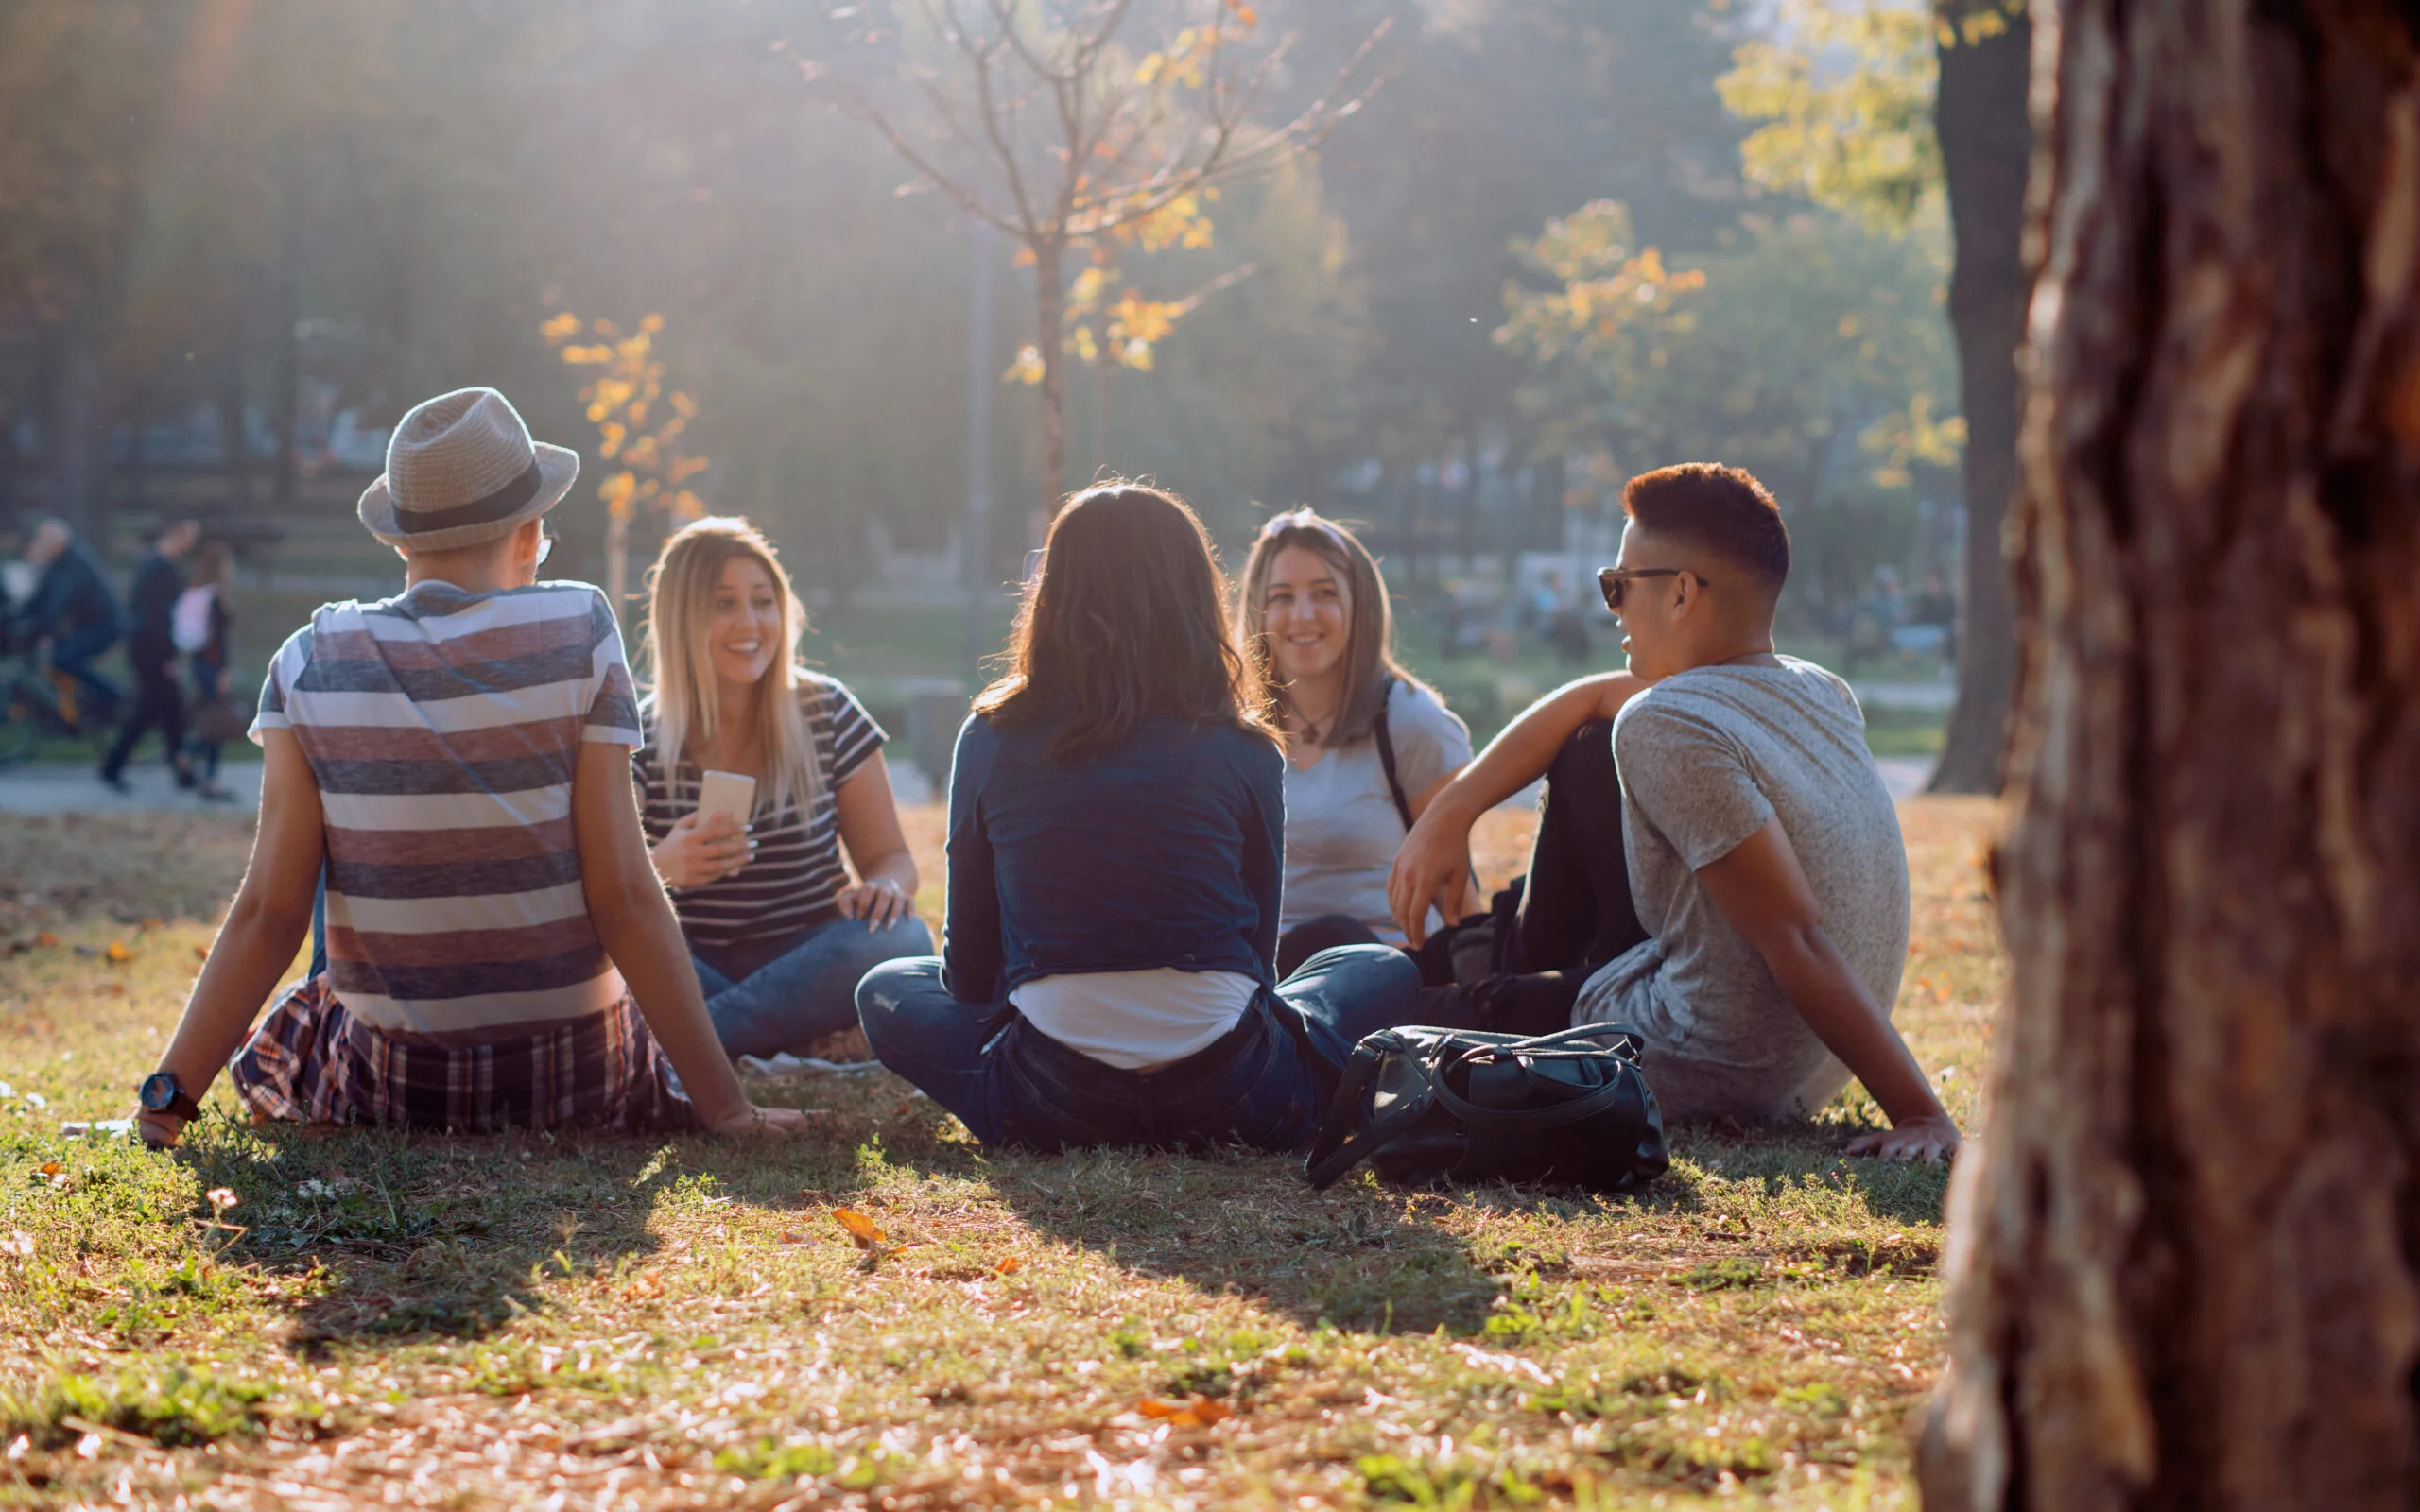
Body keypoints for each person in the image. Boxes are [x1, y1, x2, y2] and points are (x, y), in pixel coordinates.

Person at [130, 387, 808, 1146]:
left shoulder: (310, 656)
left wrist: (164, 1105)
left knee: (331, 893)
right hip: (574, 1076)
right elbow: (623, 892)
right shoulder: (579, 627)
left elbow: (270, 913)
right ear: (530, 531)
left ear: (399, 542)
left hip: (396, 1087)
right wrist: (727, 1111)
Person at [1388, 463, 1959, 1161]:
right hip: (1806, 1068)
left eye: (1619, 586)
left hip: (1708, 1058)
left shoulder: (1668, 725)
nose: (1613, 605)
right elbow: (1593, 698)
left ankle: (1485, 977)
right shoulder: (1818, 688)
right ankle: (1488, 960)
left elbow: (1797, 936)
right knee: (1591, 746)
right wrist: (1454, 808)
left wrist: (1921, 1113)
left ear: (1682, 593)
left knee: (1375, 1013)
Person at [856, 482, 1421, 1153]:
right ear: (1193, 595)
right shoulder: (1243, 744)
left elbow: (971, 974)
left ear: (1055, 593)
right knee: (1379, 968)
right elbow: (1257, 964)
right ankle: (1307, 1084)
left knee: (887, 988)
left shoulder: (991, 735)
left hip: (1052, 1097)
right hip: (1236, 1091)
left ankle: (1010, 1099)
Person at [633, 517, 928, 1057]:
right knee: (617, 952)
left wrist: (885, 887)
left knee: (903, 938)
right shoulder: (638, 737)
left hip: (811, 957)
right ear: (681, 618)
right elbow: (612, 895)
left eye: (763, 601)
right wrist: (663, 868)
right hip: (694, 960)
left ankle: (691, 1043)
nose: (749, 622)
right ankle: (788, 1037)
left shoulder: (828, 710)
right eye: (723, 604)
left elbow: (892, 859)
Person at [1235, 508, 1476, 976]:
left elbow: (1459, 904)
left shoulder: (1410, 721)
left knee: (1336, 939)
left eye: (1324, 594)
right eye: (1281, 597)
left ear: (1358, 604)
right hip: (1268, 983)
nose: (1302, 615)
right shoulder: (1235, 731)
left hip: (1390, 981)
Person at [101, 518, 201, 794]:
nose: (192, 543)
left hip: (149, 649)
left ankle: (180, 769)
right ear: (175, 533)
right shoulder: (158, 569)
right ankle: (113, 766)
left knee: (170, 712)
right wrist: (168, 655)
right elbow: (155, 618)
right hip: (152, 651)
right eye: (190, 535)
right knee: (149, 711)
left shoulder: (158, 566)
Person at [11, 518, 124, 725]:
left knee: (65, 660)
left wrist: (38, 628)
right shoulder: (58, 562)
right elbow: (40, 597)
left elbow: (57, 603)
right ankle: (69, 718)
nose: (41, 545)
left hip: (105, 624)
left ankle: (111, 696)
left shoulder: (75, 562)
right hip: (85, 625)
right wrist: (16, 616)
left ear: (58, 541)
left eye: (43, 540)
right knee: (59, 660)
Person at [177, 540, 238, 802]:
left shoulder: (196, 593)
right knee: (215, 724)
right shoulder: (215, 599)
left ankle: (191, 758)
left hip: (198, 665)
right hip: (213, 668)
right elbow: (218, 642)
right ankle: (199, 766)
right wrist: (223, 672)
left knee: (209, 722)